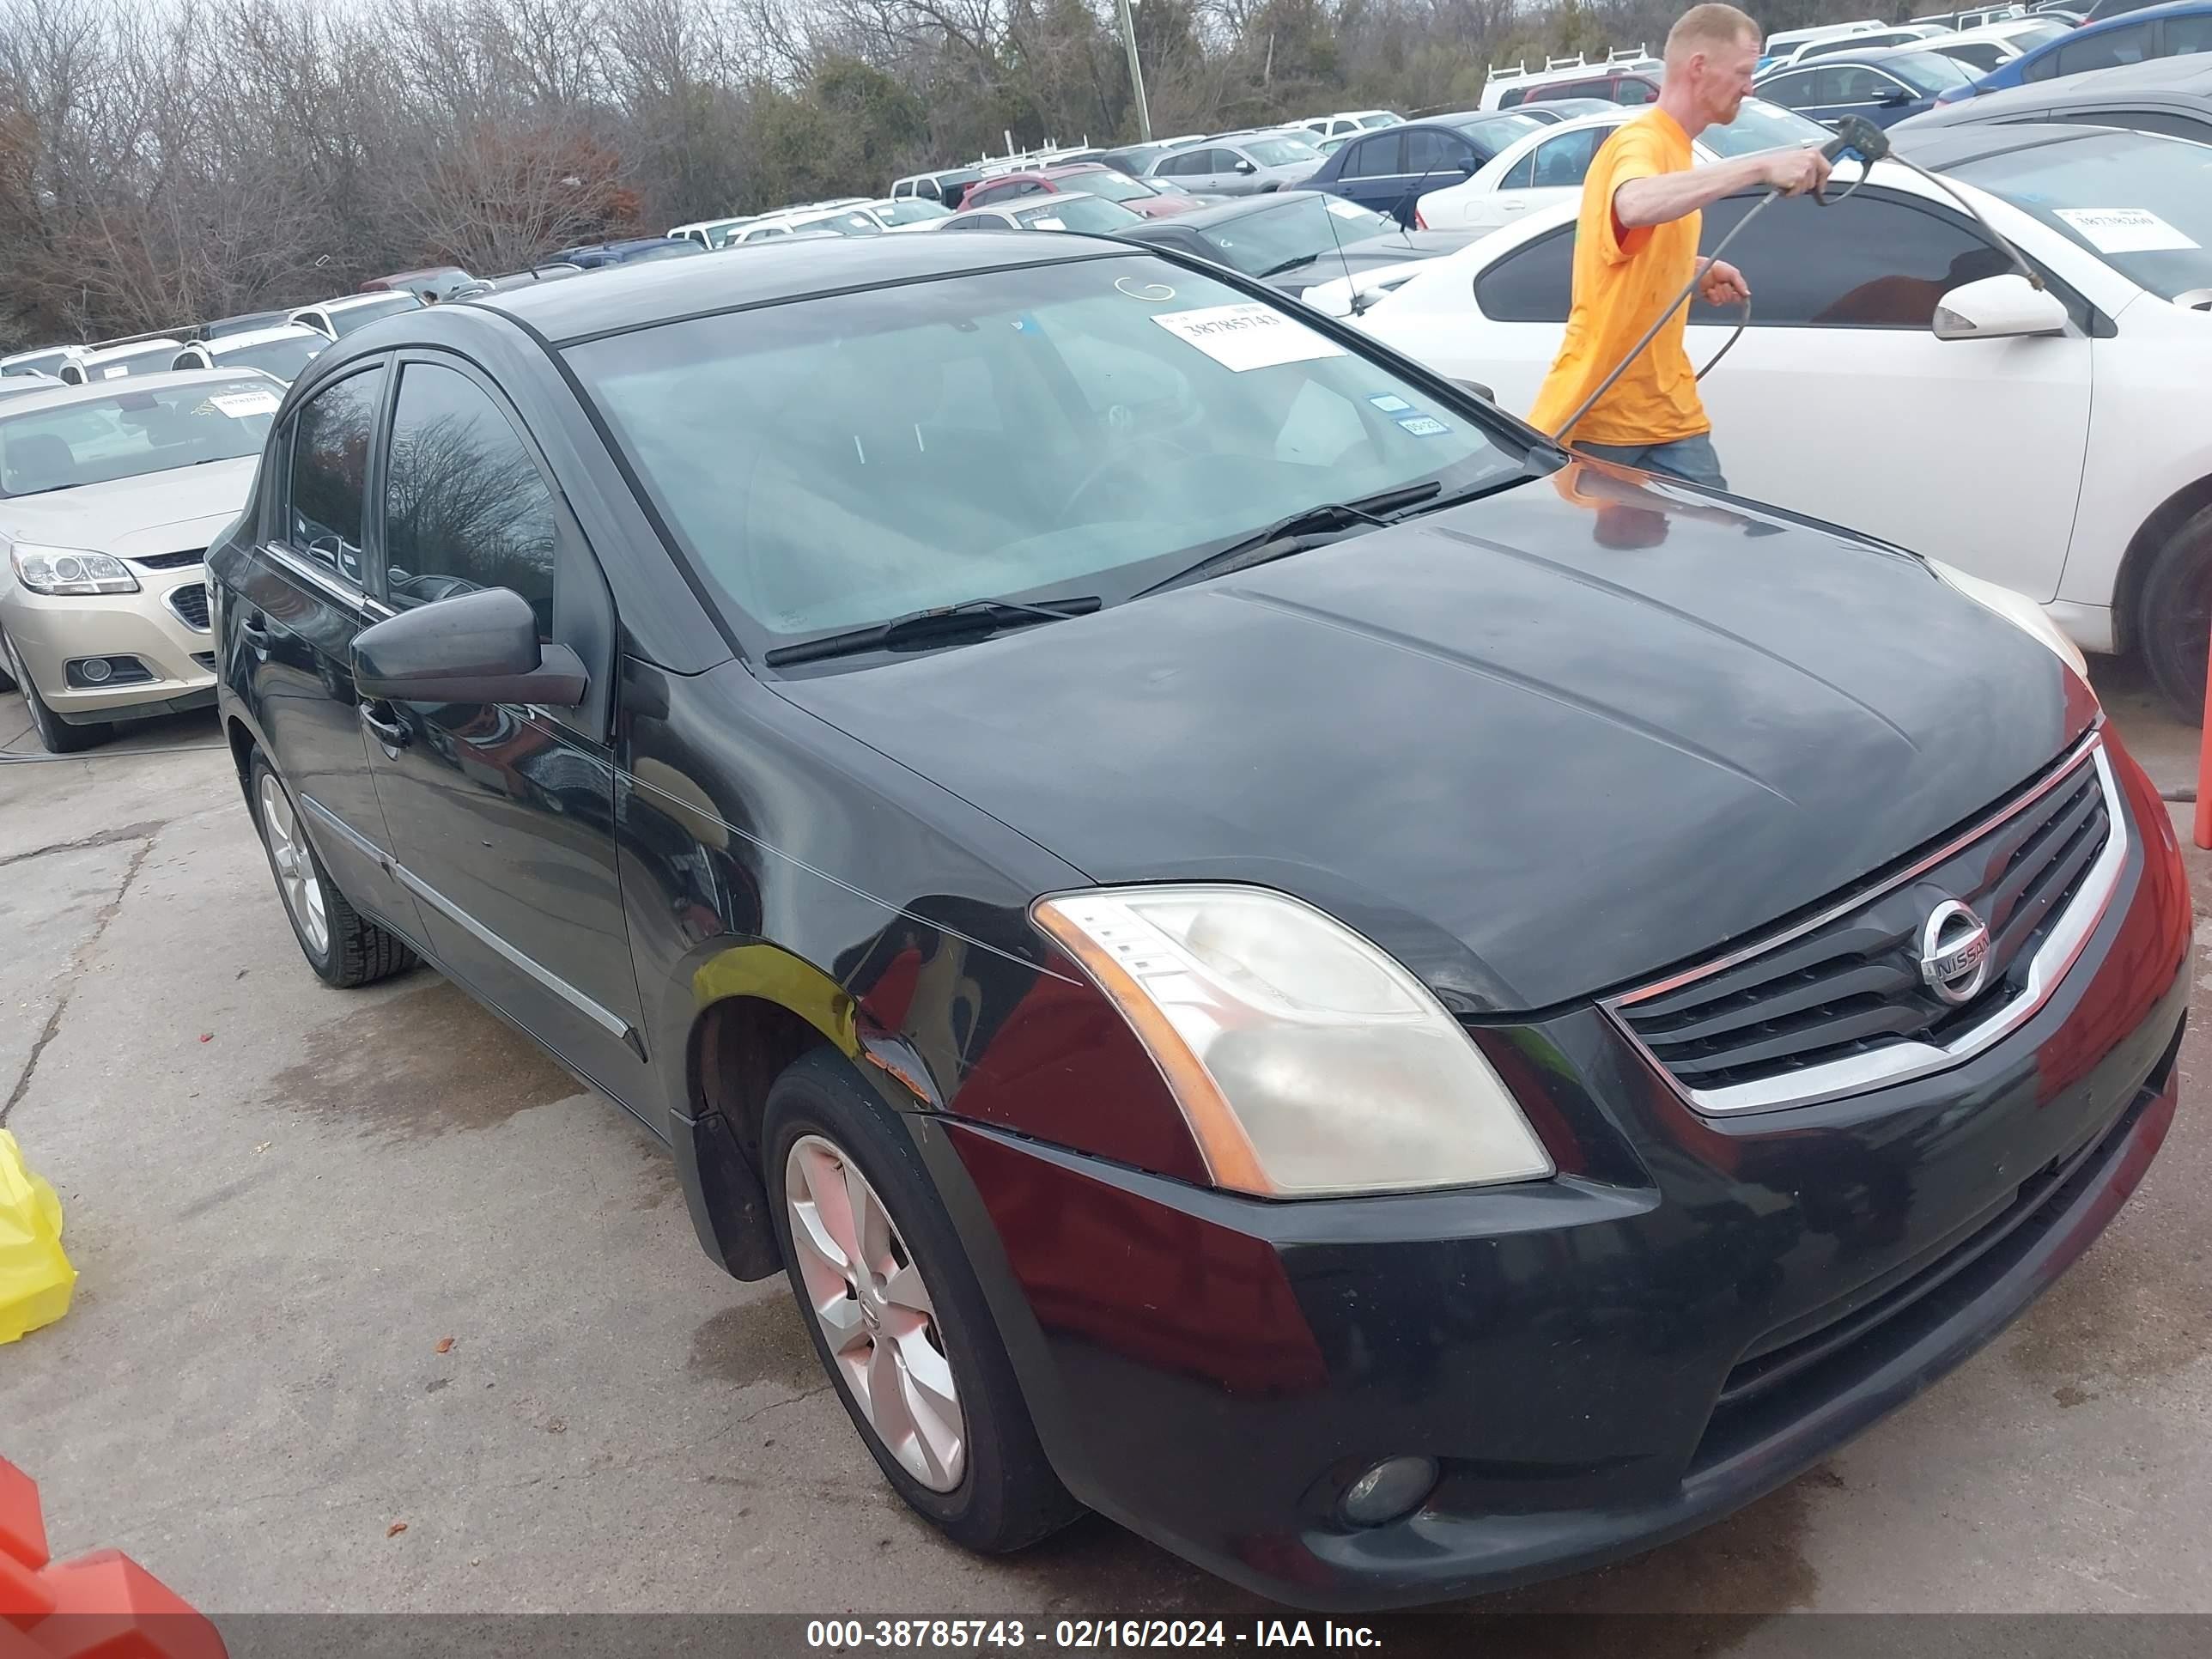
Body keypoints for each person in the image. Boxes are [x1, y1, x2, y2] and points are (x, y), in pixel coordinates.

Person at [1526, 3, 1832, 490]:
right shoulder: (1638, 143)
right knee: (1601, 555)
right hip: (1605, 411)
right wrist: (1758, 167)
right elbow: (1632, 205)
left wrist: (1693, 268)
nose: (1750, 87)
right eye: (1743, 72)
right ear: (1698, 67)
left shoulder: (1676, 148)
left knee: (1708, 545)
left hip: (1665, 408)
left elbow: (1623, 253)